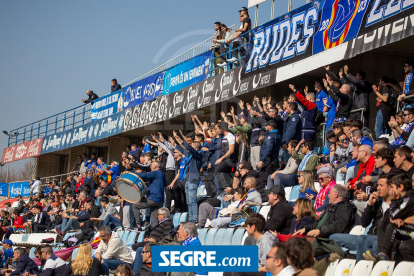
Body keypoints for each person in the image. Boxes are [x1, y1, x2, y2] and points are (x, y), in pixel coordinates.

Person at [331, 174, 391, 262]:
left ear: (390, 187)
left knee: (364, 240)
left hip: (381, 239)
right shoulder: (377, 202)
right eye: (377, 185)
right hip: (368, 236)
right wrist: (370, 205)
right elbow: (364, 223)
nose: (378, 188)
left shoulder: (396, 204)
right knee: (333, 238)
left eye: (381, 185)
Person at [365, 173, 414, 261]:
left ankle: (383, 256)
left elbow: (393, 216)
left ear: (401, 187)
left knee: (392, 228)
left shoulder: (409, 199)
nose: (390, 190)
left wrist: (393, 200)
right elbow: (393, 217)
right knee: (382, 224)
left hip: (410, 233)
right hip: (406, 230)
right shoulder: (403, 199)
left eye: (392, 187)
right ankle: (381, 254)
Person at [131, 208, 174, 274]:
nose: (157, 216)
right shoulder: (161, 224)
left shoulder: (168, 224)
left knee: (138, 249)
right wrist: (147, 238)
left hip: (155, 244)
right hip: (150, 242)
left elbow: (167, 236)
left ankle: (134, 273)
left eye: (158, 214)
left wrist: (155, 240)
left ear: (163, 215)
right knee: (137, 249)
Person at [174, 131, 204, 222]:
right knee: (189, 202)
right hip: (188, 180)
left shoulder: (199, 154)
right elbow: (183, 150)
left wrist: (183, 142)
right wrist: (175, 142)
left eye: (192, 147)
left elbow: (189, 149)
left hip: (193, 180)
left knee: (192, 201)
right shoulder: (191, 155)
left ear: (194, 148)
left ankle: (194, 220)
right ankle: (191, 219)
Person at [132, 162, 166, 228]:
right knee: (154, 218)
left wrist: (131, 173)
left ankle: (138, 225)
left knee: (135, 206)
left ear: (155, 167)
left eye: (151, 166)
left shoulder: (156, 172)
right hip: (160, 200)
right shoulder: (161, 174)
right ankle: (155, 231)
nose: (150, 167)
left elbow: (145, 176)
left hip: (153, 198)